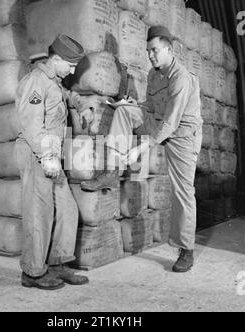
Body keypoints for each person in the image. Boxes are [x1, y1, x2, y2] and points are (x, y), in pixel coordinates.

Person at [81, 26, 203, 273]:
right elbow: (153, 108)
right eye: (148, 51)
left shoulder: (182, 78)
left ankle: (186, 250)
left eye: (155, 50)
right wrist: (133, 104)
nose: (150, 55)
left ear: (169, 49)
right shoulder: (154, 74)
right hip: (159, 123)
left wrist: (141, 148)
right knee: (125, 112)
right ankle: (112, 169)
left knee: (183, 192)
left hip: (182, 136)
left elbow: (171, 120)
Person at [15, 34, 95, 290]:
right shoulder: (36, 82)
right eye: (70, 65)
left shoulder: (54, 82)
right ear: (56, 58)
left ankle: (58, 263)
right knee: (39, 213)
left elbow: (67, 96)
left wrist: (82, 106)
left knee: (68, 210)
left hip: (50, 157)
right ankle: (33, 272)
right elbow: (30, 125)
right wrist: (47, 156)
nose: (72, 70)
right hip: (36, 154)